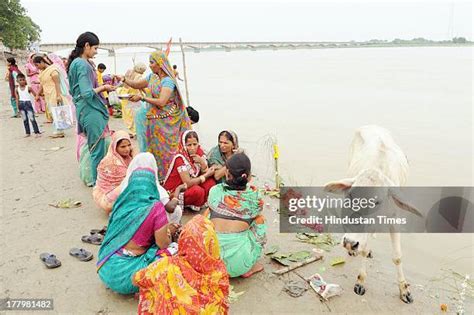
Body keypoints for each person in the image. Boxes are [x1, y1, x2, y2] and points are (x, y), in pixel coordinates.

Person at [96, 153, 182, 295]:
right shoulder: (156, 207)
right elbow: (163, 244)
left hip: (106, 267)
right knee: (175, 249)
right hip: (128, 277)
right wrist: (169, 231)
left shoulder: (121, 203)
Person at [116, 51, 192, 182]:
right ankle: (158, 176)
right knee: (154, 149)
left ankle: (170, 177)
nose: (149, 65)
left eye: (152, 62)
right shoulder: (152, 77)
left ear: (160, 64)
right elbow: (136, 84)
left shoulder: (168, 81)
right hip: (154, 120)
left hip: (168, 122)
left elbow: (162, 102)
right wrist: (123, 79)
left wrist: (143, 98)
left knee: (169, 152)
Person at [133, 215, 230, 314]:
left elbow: (136, 279)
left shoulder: (167, 265)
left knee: (152, 286)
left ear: (184, 242)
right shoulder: (220, 271)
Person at [67, 32, 116, 186]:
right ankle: (98, 184)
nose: (96, 51)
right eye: (95, 48)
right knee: (97, 151)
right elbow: (87, 93)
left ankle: (97, 182)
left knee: (95, 148)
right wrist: (104, 87)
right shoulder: (82, 64)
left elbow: (74, 91)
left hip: (83, 110)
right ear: (86, 46)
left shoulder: (75, 62)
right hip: (90, 110)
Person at [207, 152, 266, 278]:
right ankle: (249, 265)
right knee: (260, 220)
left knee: (208, 213)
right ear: (248, 176)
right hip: (240, 265)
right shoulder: (255, 196)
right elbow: (254, 215)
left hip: (212, 263)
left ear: (227, 173)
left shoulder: (215, 191)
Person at [163, 130, 216, 211]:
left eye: (195, 144)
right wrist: (206, 175)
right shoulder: (180, 158)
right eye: (189, 145)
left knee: (210, 184)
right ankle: (188, 204)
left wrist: (202, 162)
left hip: (192, 183)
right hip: (176, 190)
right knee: (198, 191)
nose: (192, 148)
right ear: (184, 145)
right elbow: (187, 183)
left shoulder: (199, 152)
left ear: (198, 143)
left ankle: (196, 202)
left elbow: (204, 171)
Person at [92, 131, 135, 214]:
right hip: (107, 198)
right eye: (123, 147)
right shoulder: (112, 162)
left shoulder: (128, 157)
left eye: (129, 145)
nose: (127, 149)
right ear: (115, 147)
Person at [33, 54, 72, 138]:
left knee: (56, 112)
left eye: (37, 65)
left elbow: (57, 83)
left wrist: (58, 95)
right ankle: (59, 130)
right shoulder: (43, 72)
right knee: (52, 112)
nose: (37, 67)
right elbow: (42, 84)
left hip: (54, 93)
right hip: (48, 94)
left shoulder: (53, 70)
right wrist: (37, 94)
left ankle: (59, 131)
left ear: (42, 62)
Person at [118, 62, 147, 137]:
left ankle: (131, 131)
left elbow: (123, 81)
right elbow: (141, 86)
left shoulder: (129, 72)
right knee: (135, 115)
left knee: (127, 114)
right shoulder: (139, 76)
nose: (143, 72)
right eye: (143, 70)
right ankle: (135, 132)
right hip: (133, 96)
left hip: (124, 94)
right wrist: (148, 94)